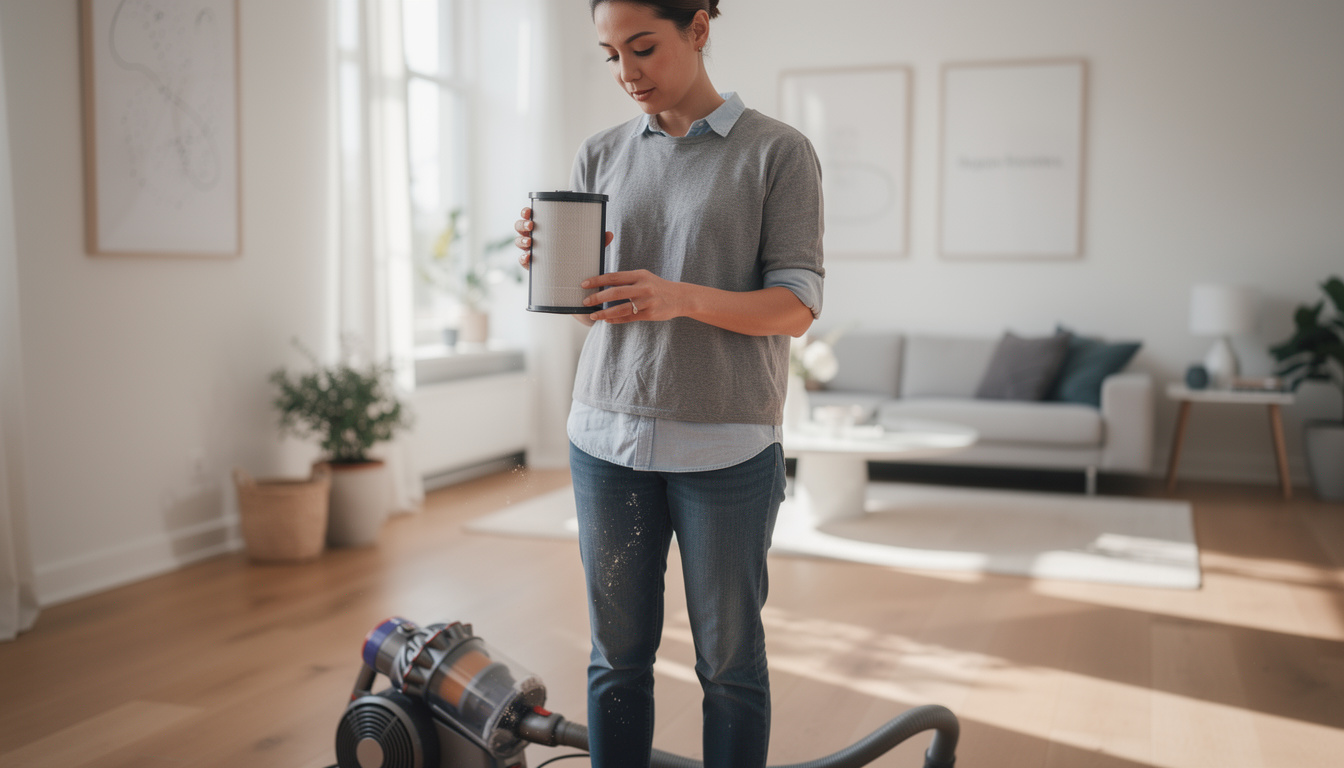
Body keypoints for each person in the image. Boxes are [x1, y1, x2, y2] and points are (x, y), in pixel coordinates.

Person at [514, 1, 823, 766]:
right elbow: (600, 317)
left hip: (726, 445)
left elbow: (795, 308)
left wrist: (680, 295)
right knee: (616, 660)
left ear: (700, 28)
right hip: (605, 438)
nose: (627, 73)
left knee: (728, 665)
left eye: (643, 47)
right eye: (610, 55)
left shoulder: (777, 153)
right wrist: (549, 270)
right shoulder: (600, 154)